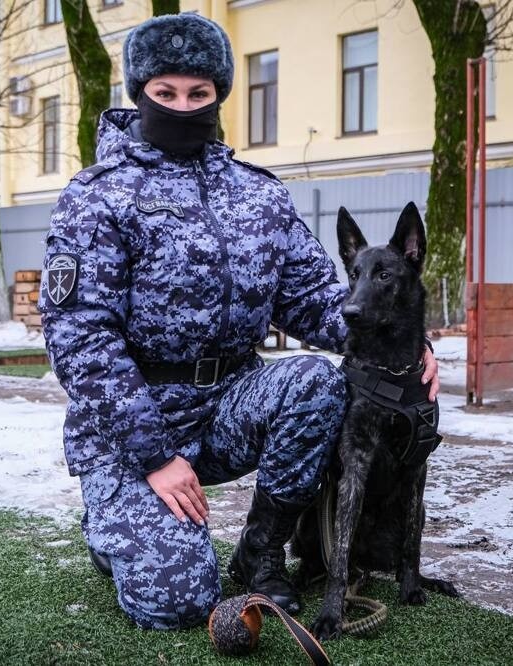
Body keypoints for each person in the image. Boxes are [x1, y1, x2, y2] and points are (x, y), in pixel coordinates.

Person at [39, 13, 439, 631]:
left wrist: (411, 350)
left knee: (318, 381)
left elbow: (317, 298)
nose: (182, 105)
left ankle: (261, 548)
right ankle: (115, 524)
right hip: (135, 423)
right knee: (177, 603)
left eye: (199, 93)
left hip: (229, 402)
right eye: (164, 93)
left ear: (219, 95)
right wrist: (153, 456)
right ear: (139, 92)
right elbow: (81, 339)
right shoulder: (97, 195)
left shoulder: (259, 195)